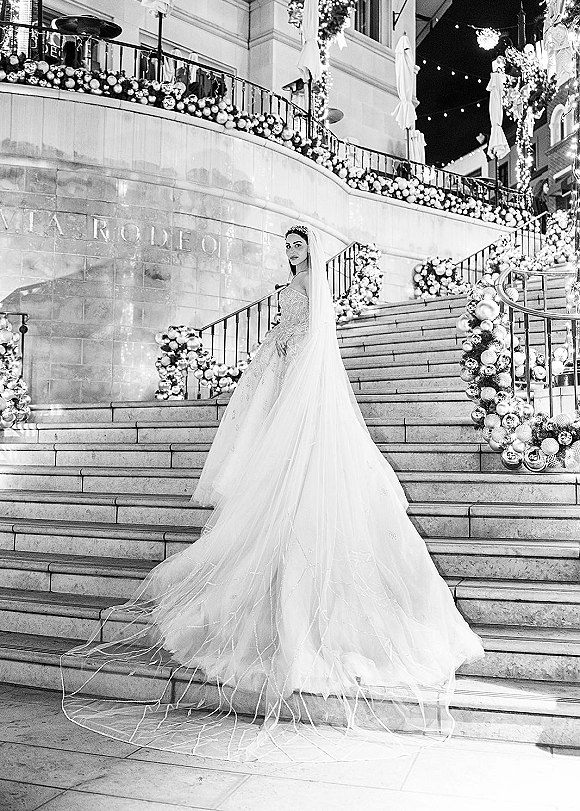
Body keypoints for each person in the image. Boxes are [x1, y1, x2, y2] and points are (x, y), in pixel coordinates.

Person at [62, 225, 483, 763]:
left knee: (303, 499)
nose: (291, 253)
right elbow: (283, 336)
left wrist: (287, 359)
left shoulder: (319, 289)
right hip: (282, 383)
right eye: (287, 246)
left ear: (313, 249)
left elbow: (317, 345)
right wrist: (269, 359)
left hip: (305, 395)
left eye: (298, 245)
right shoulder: (290, 290)